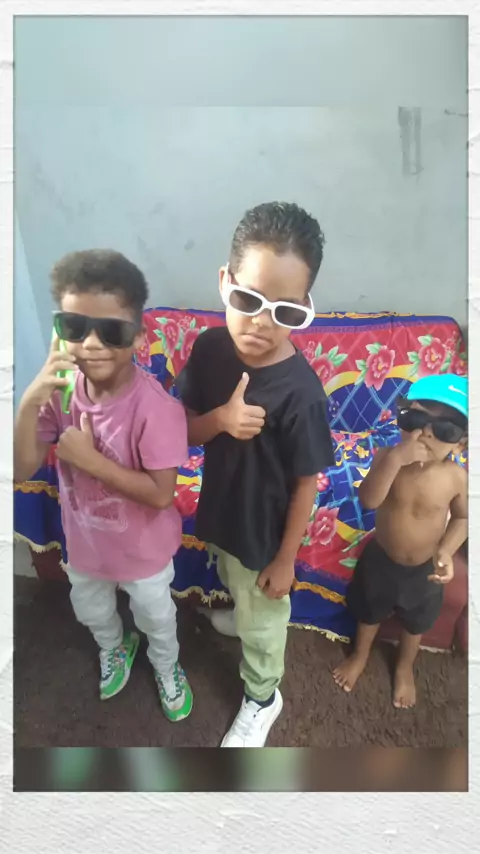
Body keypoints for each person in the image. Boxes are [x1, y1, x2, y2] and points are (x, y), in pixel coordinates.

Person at [176, 201, 335, 747]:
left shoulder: (303, 394)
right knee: (235, 582)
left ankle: (264, 697)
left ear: (304, 308)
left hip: (265, 537)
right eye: (248, 300)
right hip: (222, 509)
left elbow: (307, 481)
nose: (262, 323)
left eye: (285, 311)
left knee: (263, 621)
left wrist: (286, 559)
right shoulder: (209, 348)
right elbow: (184, 430)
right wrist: (220, 420)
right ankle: (243, 615)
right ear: (226, 282)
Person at [14, 249, 193, 722]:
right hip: (86, 547)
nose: (91, 344)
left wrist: (89, 461)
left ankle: (166, 665)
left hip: (143, 553)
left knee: (157, 616)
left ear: (138, 335)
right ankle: (115, 646)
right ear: (59, 331)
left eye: (111, 331)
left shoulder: (156, 409)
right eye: (75, 327)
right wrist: (30, 399)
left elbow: (161, 494)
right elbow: (19, 469)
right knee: (90, 610)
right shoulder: (61, 394)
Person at [333, 373, 468, 708]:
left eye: (445, 429)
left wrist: (446, 551)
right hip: (381, 559)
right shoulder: (386, 457)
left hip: (425, 570)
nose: (426, 434)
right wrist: (394, 460)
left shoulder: (456, 478)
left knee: (416, 624)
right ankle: (360, 655)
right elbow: (369, 500)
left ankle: (405, 667)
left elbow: (463, 518)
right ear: (401, 420)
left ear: (460, 444)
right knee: (369, 614)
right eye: (416, 420)